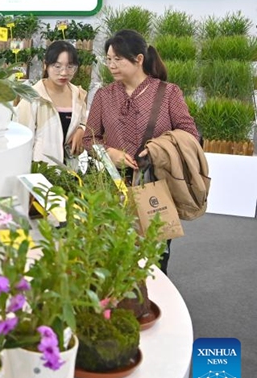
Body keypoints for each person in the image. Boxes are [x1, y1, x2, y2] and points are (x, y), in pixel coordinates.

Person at [83, 29, 199, 274]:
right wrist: (109, 153)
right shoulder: (104, 96)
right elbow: (89, 139)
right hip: (112, 186)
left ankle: (156, 304)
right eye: (109, 59)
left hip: (155, 185)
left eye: (118, 59)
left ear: (138, 59)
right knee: (112, 250)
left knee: (154, 254)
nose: (111, 65)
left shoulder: (168, 93)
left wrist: (158, 148)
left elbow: (190, 134)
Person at [16, 40, 88, 167]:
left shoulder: (78, 95)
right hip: (42, 171)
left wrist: (81, 129)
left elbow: (84, 121)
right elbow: (21, 141)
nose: (64, 72)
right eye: (57, 66)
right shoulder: (33, 97)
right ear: (46, 65)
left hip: (71, 171)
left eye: (70, 67)